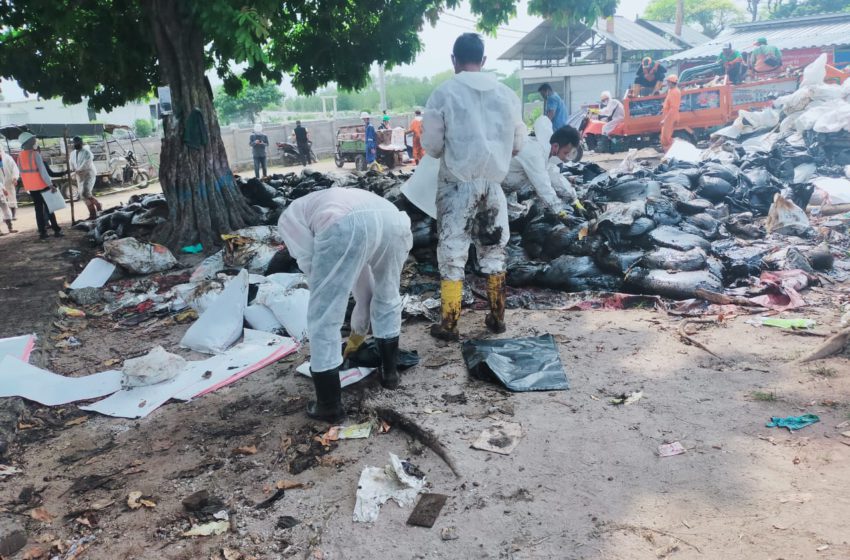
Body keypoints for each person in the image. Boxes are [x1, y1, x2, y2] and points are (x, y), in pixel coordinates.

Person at [277, 187, 413, 421]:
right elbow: (365, 292)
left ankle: (329, 405)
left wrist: (328, 294)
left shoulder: (288, 219)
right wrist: (357, 334)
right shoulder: (319, 202)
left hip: (344, 222)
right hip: (392, 220)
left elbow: (313, 265)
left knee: (324, 313)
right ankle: (390, 375)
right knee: (388, 294)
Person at [422, 32, 525, 341]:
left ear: (454, 60)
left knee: (453, 253)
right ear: (483, 60)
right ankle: (496, 319)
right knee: (493, 250)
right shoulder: (507, 95)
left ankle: (450, 325)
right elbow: (518, 144)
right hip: (493, 186)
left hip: (456, 185)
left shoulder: (443, 94)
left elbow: (432, 146)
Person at [503, 117, 580, 215]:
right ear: (556, 146)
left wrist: (574, 198)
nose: (566, 158)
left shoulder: (547, 151)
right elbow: (543, 186)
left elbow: (555, 177)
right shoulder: (534, 153)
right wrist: (560, 212)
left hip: (509, 190)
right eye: (565, 153)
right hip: (496, 185)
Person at [16, 132, 64, 240]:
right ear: (28, 142)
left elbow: (21, 172)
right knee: (49, 209)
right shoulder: (34, 154)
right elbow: (43, 172)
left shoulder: (19, 156)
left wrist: (28, 185)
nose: (35, 141)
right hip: (42, 185)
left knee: (38, 210)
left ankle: (42, 233)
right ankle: (56, 230)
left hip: (31, 187)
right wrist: (50, 185)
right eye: (33, 139)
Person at [69, 136, 102, 220]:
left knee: (85, 192)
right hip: (79, 176)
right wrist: (72, 170)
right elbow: (71, 163)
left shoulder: (87, 153)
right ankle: (92, 214)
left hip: (88, 174)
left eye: (77, 142)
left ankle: (98, 205)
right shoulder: (72, 153)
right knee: (82, 195)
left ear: (81, 142)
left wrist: (76, 171)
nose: (76, 144)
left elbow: (85, 165)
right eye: (74, 143)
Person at [660, 74, 682, 152]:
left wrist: (665, 120)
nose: (667, 83)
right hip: (668, 116)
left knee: (666, 138)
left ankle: (670, 153)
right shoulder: (671, 90)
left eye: (668, 82)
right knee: (664, 137)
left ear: (671, 83)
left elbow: (673, 108)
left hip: (671, 116)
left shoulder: (675, 92)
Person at [0, 141, 20, 223]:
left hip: (9, 181)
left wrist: (15, 177)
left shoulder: (7, 158)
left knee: (12, 197)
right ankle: (6, 217)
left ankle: (13, 215)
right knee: (2, 200)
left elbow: (14, 168)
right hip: (0, 184)